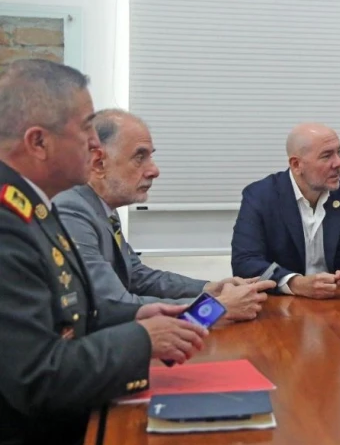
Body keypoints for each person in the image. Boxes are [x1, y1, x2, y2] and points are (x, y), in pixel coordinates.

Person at [0, 59, 207, 445]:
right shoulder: (7, 223)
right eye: (85, 129)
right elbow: (36, 376)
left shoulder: (36, 207)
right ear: (38, 142)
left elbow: (69, 311)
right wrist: (143, 339)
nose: (96, 146)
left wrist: (139, 313)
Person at [53, 109, 272, 321]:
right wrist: (215, 309)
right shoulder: (71, 212)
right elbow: (113, 304)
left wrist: (211, 289)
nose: (154, 170)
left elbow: (136, 276)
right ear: (99, 163)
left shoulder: (101, 208)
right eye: (140, 157)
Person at [231, 123, 340, 299]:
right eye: (327, 155)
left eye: (339, 152)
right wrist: (294, 283)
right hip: (283, 308)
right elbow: (245, 263)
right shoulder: (261, 196)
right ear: (297, 164)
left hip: (339, 307)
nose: (339, 162)